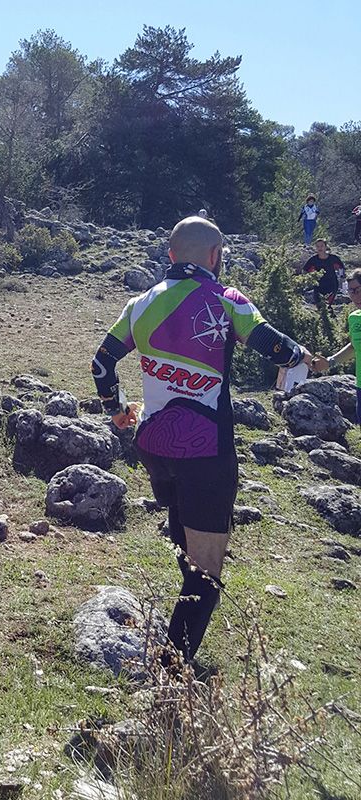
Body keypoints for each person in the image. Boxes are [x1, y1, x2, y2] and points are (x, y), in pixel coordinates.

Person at [91, 216, 314, 665]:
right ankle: (172, 676)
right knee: (206, 573)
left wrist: (117, 411)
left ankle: (176, 651)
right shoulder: (227, 299)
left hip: (154, 444)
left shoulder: (139, 303)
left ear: (171, 256)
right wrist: (305, 356)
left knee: (185, 538)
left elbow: (101, 363)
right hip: (205, 447)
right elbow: (273, 345)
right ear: (215, 257)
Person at [312, 268, 361, 421]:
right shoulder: (354, 318)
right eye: (351, 291)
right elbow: (354, 346)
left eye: (357, 290)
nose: (355, 296)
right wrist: (329, 362)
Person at [302, 238, 345, 307]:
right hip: (319, 286)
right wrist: (309, 279)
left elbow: (341, 268)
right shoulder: (313, 260)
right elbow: (305, 270)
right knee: (319, 306)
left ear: (326, 246)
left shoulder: (333, 258)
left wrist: (342, 278)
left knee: (328, 305)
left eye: (322, 246)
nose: (320, 248)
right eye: (317, 246)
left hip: (332, 284)